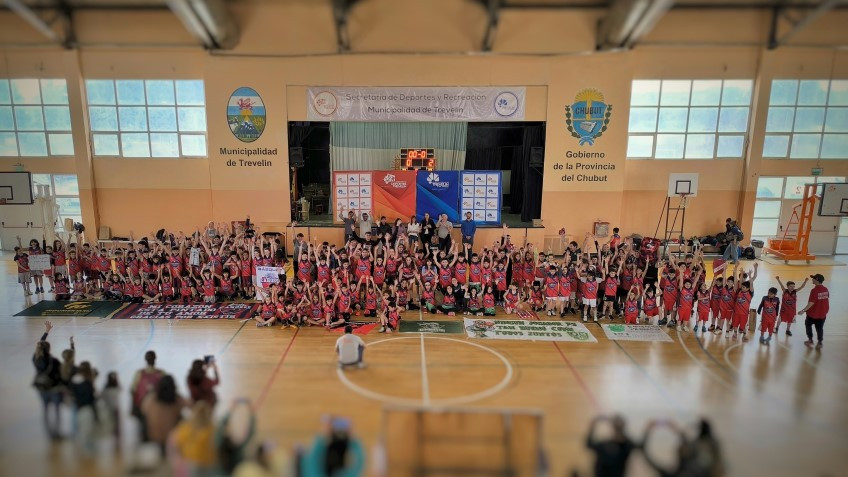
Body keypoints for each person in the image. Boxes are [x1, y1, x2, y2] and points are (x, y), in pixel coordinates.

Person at [300, 416, 366, 477]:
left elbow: (312, 460)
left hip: (331, 459)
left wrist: (322, 437)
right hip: (335, 457)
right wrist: (353, 440)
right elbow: (359, 464)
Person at [32, 321, 63, 439]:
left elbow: (40, 345)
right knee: (56, 411)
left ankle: (48, 432)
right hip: (53, 388)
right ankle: (57, 433)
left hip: (41, 387)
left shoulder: (35, 357)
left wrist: (46, 332)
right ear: (49, 349)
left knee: (45, 410)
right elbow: (59, 374)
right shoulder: (53, 361)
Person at [142, 375, 188, 454]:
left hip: (154, 436)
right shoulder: (176, 399)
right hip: (172, 437)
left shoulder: (151, 399)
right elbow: (189, 404)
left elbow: (143, 410)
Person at [169, 401, 217, 475]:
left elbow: (176, 442)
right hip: (206, 462)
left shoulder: (186, 427)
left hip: (190, 462)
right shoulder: (211, 429)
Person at [131, 350, 165, 442]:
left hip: (153, 407)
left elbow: (133, 390)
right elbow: (133, 391)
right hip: (147, 408)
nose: (150, 359)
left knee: (151, 429)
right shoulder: (141, 373)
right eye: (149, 357)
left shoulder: (160, 373)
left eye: (151, 357)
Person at [797, 273, 829, 350]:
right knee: (819, 328)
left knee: (808, 325)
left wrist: (803, 310)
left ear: (816, 280)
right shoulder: (825, 289)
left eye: (813, 278)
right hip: (822, 314)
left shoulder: (814, 290)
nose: (812, 279)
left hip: (813, 314)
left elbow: (811, 303)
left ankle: (810, 340)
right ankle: (820, 342)